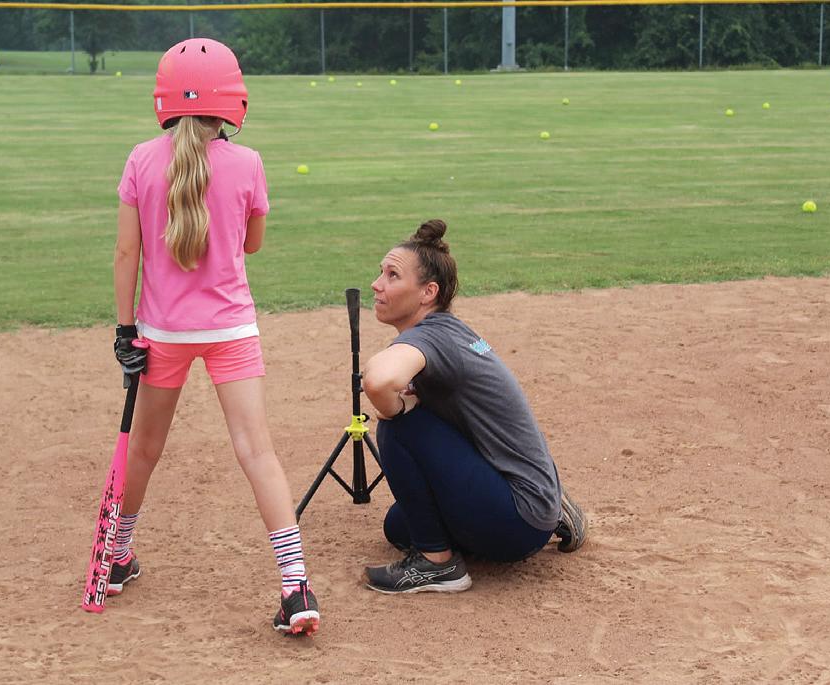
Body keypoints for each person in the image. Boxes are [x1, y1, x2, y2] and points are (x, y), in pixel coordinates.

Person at [109, 38, 319, 635]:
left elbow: (126, 254)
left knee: (144, 450)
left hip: (162, 333)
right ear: (233, 100)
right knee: (258, 452)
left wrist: (125, 330)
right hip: (232, 329)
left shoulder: (141, 159)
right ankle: (296, 585)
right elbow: (252, 244)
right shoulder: (248, 162)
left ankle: (117, 556)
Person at [360, 219, 586, 594]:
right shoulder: (447, 330)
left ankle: (438, 565)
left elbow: (379, 381)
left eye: (392, 275)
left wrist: (393, 409)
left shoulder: (433, 338)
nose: (376, 284)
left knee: (399, 424)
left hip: (518, 517)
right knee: (398, 527)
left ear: (428, 292)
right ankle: (555, 510)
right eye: (381, 272)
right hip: (524, 497)